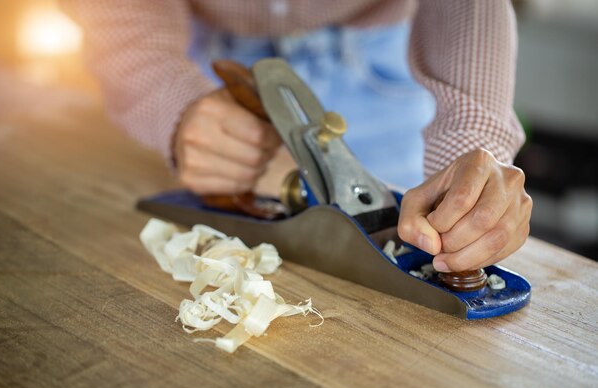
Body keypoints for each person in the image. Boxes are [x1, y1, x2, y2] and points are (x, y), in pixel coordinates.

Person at [63, 0, 532, 274]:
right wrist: (173, 102)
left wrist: (474, 143)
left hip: (384, 65)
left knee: (449, 233)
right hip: (203, 66)